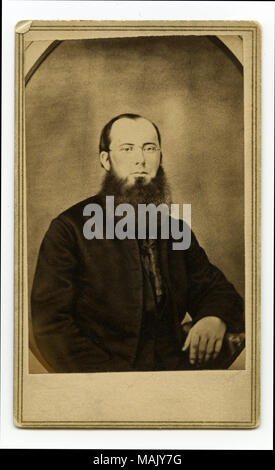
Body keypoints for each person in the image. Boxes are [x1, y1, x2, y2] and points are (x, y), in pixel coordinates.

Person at [31, 113, 244, 373]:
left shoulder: (173, 229)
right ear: (106, 160)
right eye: (127, 148)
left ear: (160, 157)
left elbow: (216, 289)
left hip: (172, 376)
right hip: (101, 381)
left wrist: (213, 317)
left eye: (149, 148)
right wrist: (115, 384)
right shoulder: (69, 229)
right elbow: (52, 326)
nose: (140, 159)